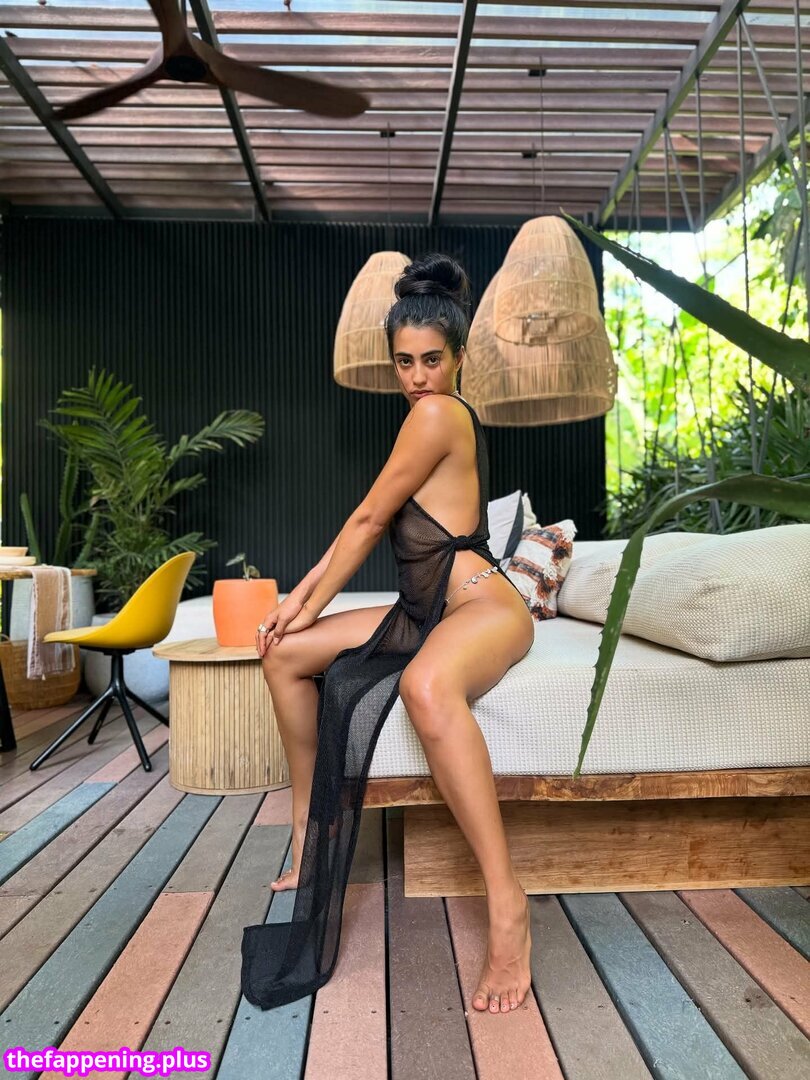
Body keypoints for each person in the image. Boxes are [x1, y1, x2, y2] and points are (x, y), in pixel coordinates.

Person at [242, 253, 535, 1016]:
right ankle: (312, 839)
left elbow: (370, 520)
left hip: (480, 606)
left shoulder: (440, 414)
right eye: (404, 362)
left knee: (426, 686)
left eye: (432, 360)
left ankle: (508, 905)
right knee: (285, 655)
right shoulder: (422, 415)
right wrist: (298, 612)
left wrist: (304, 599)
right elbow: (365, 522)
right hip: (419, 607)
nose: (417, 377)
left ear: (460, 358)